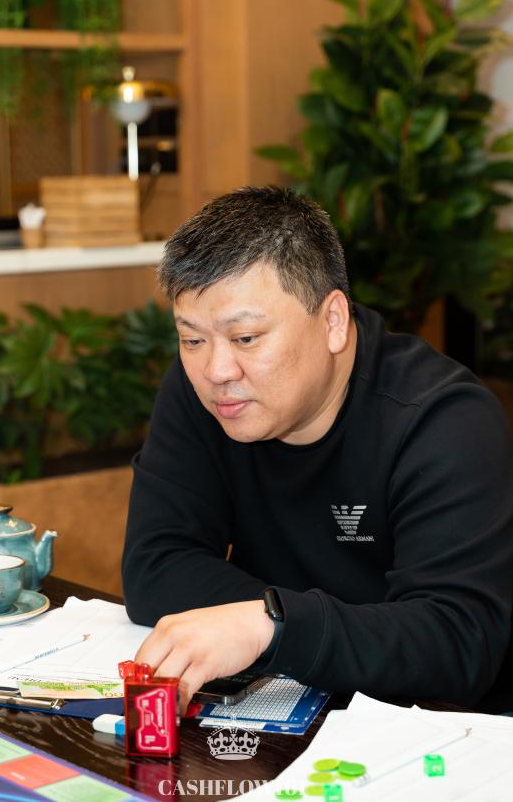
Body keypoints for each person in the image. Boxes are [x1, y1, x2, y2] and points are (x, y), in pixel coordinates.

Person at [122, 185, 513, 714]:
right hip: (289, 704)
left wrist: (274, 626)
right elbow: (154, 565)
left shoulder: (443, 421)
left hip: (439, 733)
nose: (216, 370)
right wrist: (278, 626)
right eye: (192, 339)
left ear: (332, 321)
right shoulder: (207, 391)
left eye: (246, 338)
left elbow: (456, 644)